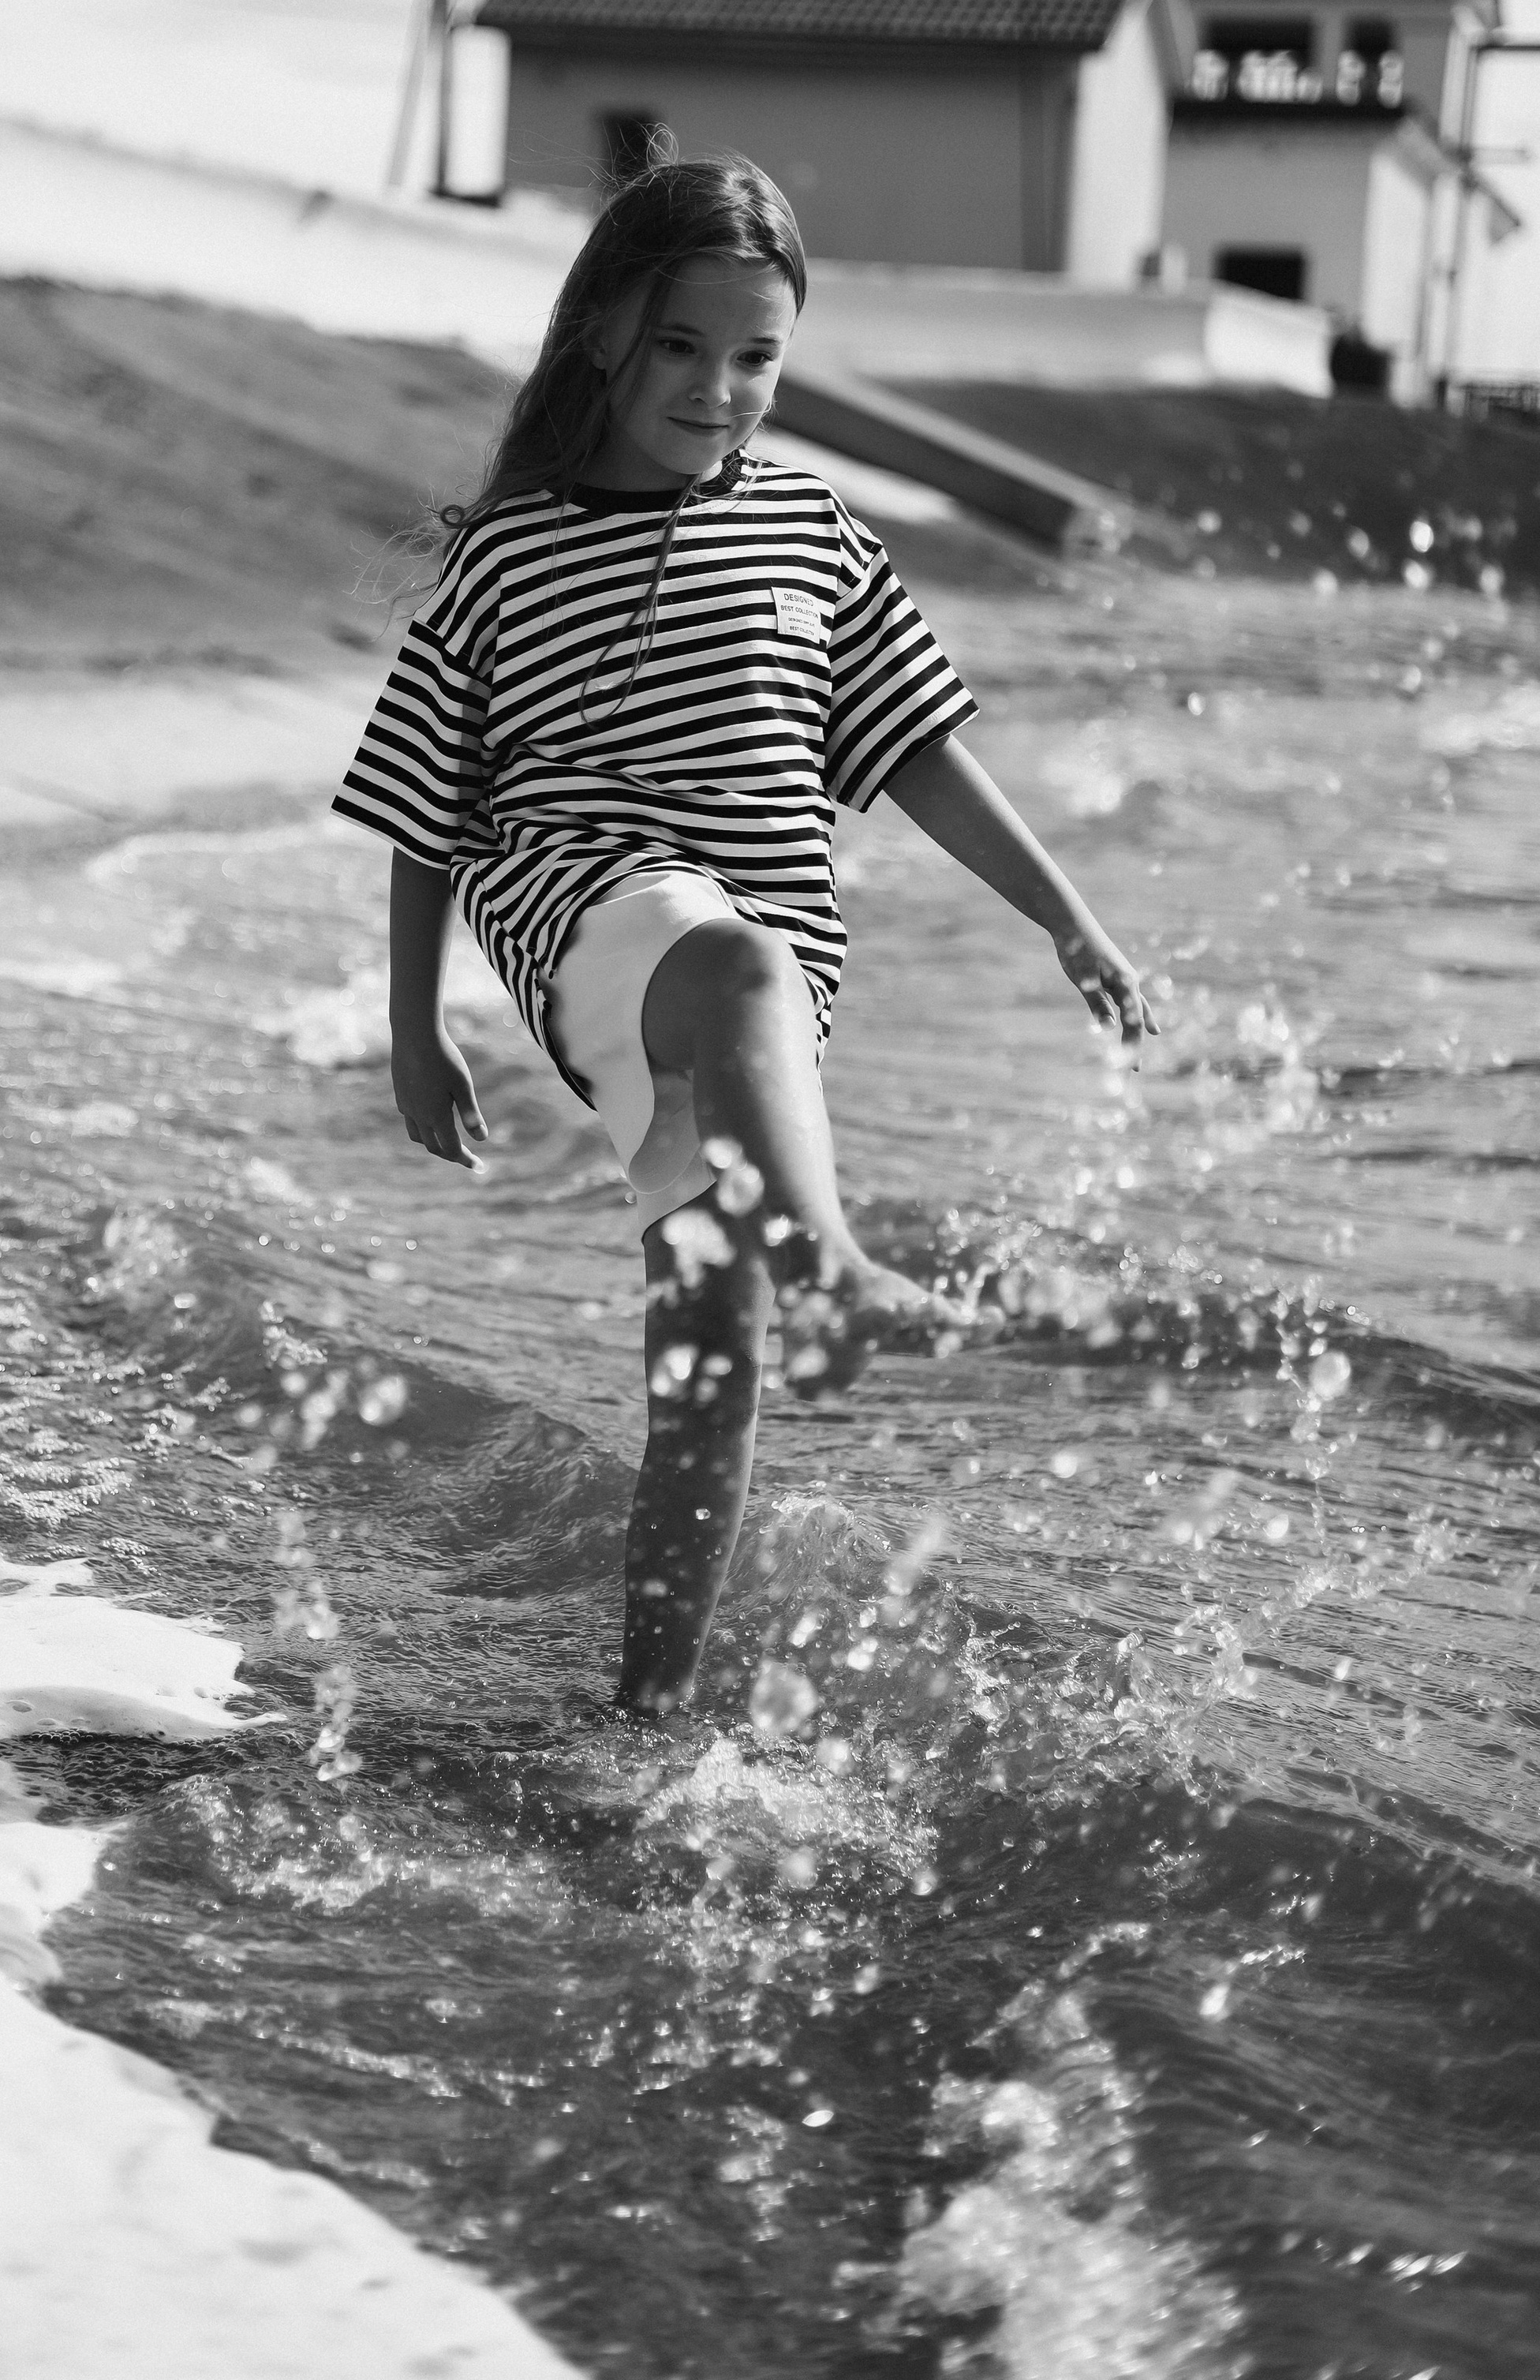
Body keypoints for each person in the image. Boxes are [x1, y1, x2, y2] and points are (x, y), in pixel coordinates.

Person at [333, 152, 1155, 1718]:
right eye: (679, 347)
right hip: (589, 914)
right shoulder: (505, 555)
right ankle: (837, 1267)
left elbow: (913, 747)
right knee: (728, 956)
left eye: (756, 357)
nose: (718, 390)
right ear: (601, 338)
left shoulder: (809, 532)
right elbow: (422, 802)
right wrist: (409, 1019)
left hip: (758, 1002)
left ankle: (641, 1727)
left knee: (704, 1377)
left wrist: (1068, 919)